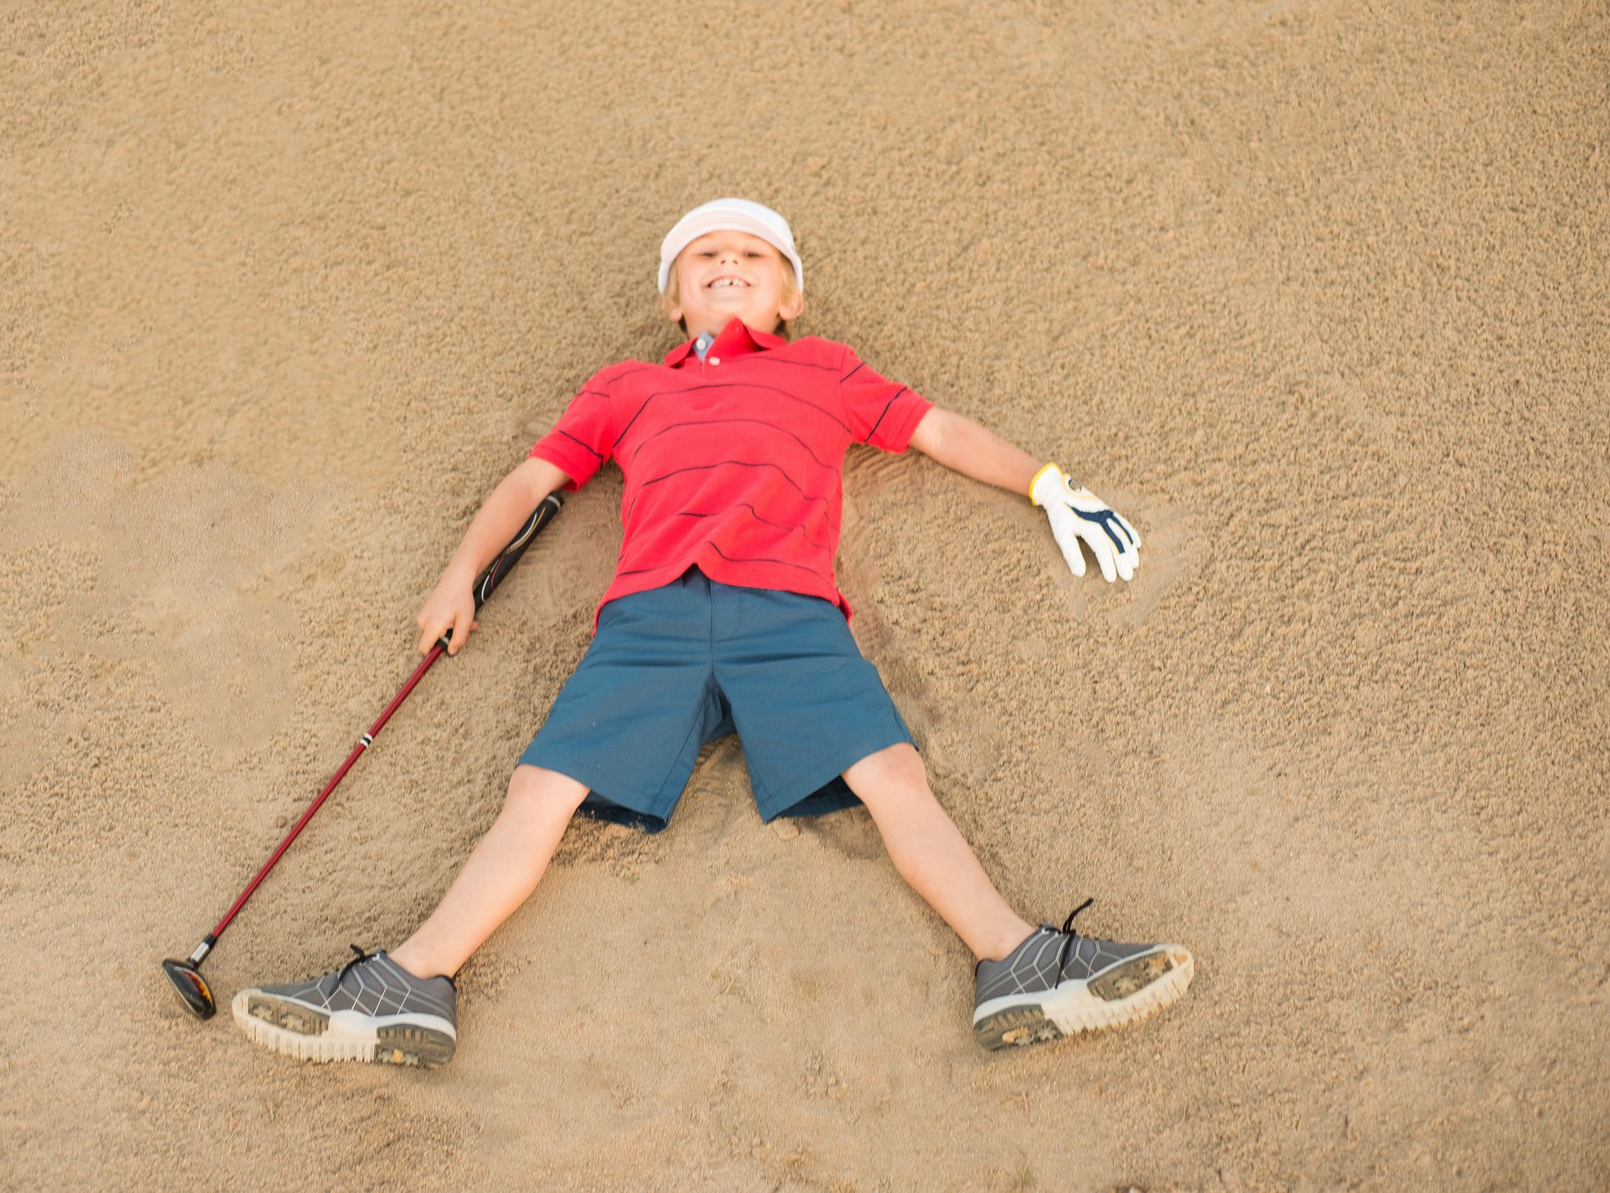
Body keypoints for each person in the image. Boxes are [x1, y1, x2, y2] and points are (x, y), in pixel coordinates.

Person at [230, 199, 1193, 1068]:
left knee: (893, 773)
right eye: (705, 255)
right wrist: (459, 574)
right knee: (540, 788)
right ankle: (412, 984)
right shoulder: (623, 389)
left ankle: (1014, 959)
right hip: (651, 615)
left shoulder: (827, 370)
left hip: (792, 613)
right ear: (671, 298)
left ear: (791, 295)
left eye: (753, 255)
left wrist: (1046, 483)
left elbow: (942, 431)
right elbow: (531, 484)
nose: (729, 264)